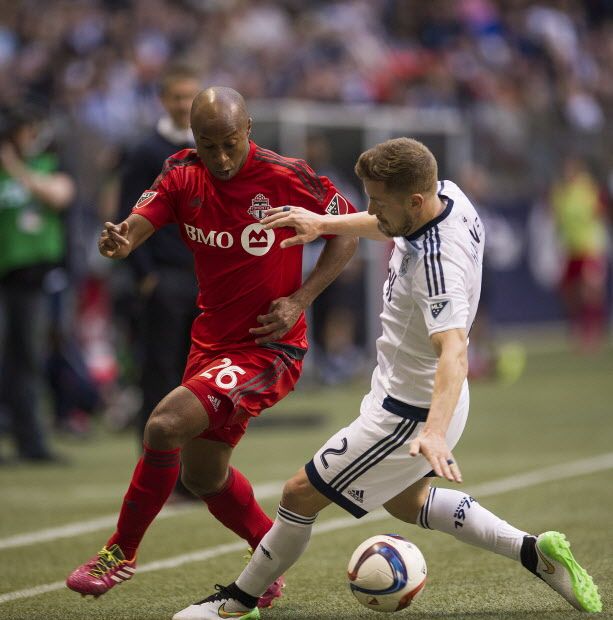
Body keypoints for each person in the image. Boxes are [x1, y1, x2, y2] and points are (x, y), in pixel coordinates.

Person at [173, 138, 602, 619]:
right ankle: (534, 553)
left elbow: (455, 352)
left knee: (298, 494)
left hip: (410, 415)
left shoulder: (437, 265)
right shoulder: (448, 195)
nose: (371, 209)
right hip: (411, 397)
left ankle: (238, 603)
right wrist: (323, 222)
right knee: (401, 499)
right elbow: (385, 225)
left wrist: (433, 432)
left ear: (414, 201)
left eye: (378, 200)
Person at [65, 87, 358, 609]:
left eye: (229, 144)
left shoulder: (287, 176)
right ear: (193, 140)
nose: (220, 158)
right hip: (211, 346)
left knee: (162, 424)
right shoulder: (181, 171)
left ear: (248, 129)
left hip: (270, 349)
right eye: (208, 145)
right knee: (204, 475)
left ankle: (119, 553)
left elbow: (347, 232)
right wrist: (121, 241)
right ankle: (267, 561)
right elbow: (136, 226)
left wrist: (301, 299)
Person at [118, 65, 200, 444]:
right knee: (159, 371)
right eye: (177, 96)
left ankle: (193, 468)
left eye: (190, 96)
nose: (184, 104)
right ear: (164, 100)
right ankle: (155, 462)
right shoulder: (145, 151)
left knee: (199, 375)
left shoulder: (212, 147)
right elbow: (128, 213)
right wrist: (145, 274)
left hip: (206, 280)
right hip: (166, 277)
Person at [0, 106, 76, 462]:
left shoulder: (48, 163)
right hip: (5, 273)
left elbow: (60, 195)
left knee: (29, 360)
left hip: (31, 278)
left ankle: (31, 441)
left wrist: (14, 166)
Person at [550, 156, 608, 352]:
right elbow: (557, 219)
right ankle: (577, 328)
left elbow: (600, 212)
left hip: (589, 247)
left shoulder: (587, 189)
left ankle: (593, 332)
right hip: (570, 249)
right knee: (570, 293)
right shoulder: (559, 193)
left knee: (589, 291)